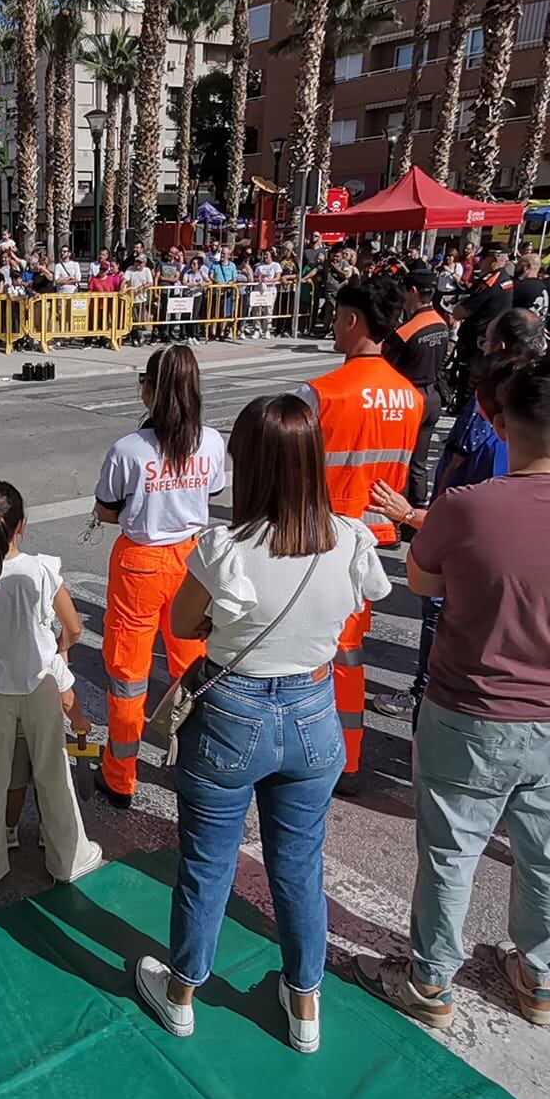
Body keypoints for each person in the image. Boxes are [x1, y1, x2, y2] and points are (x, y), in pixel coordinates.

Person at [340, 357, 550, 1029]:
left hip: (470, 710)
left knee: (450, 852)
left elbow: (422, 585)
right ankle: (537, 976)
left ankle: (430, 981)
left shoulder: (467, 508)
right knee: (549, 851)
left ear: (501, 425)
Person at [134, 395, 390, 1052]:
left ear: (247, 464)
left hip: (231, 714)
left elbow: (184, 624)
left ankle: (183, 991)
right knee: (299, 865)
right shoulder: (351, 538)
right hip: (312, 711)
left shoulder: (227, 548)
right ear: (312, 461)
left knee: (206, 865)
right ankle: (305, 1002)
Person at [296, 274, 422, 790]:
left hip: (318, 536)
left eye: (336, 314)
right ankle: (346, 755)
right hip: (372, 541)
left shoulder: (321, 393)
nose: (332, 324)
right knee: (347, 652)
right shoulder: (410, 397)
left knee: (312, 650)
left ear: (352, 320)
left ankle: (321, 756)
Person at [93, 346, 227, 808]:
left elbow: (106, 510)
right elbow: (211, 493)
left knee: (129, 674)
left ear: (149, 391)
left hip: (139, 563)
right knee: (192, 668)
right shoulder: (211, 442)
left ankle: (120, 776)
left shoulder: (128, 450)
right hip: (193, 561)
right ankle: (189, 762)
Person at [0, 482, 103, 887]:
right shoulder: (42, 570)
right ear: (22, 526)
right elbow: (73, 627)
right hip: (39, 686)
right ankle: (68, 859)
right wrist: (58, 648)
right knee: (53, 774)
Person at [370, 352, 517, 721]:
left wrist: (408, 514)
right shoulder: (507, 444)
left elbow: (474, 520)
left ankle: (425, 695)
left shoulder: (492, 446)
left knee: (440, 622)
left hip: (459, 564)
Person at [385, 269, 453, 506]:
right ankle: (416, 510)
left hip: (408, 399)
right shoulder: (441, 323)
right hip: (432, 395)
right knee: (419, 462)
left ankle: (393, 514)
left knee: (397, 460)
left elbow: (384, 363)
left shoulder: (406, 331)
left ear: (412, 291)